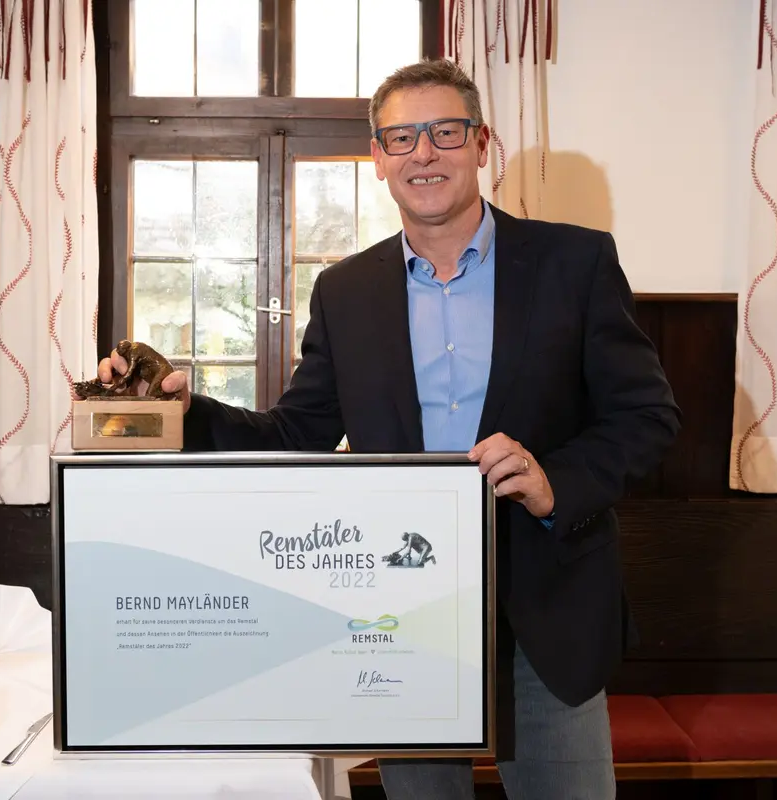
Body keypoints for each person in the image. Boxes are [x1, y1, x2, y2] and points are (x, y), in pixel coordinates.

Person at [89, 59, 680, 800]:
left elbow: (647, 416)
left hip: (549, 605)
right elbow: (295, 434)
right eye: (402, 137)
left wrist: (554, 481)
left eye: (445, 132)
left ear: (480, 142)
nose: (423, 153)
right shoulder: (346, 290)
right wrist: (186, 410)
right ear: (377, 156)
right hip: (402, 612)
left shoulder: (576, 262)